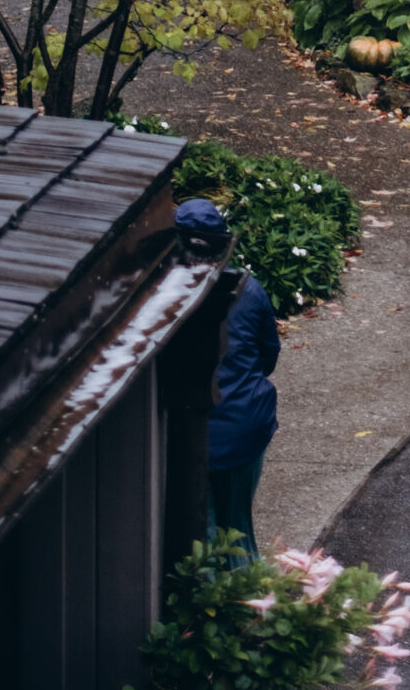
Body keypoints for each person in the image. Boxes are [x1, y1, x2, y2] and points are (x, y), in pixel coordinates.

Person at [174, 196, 281, 556]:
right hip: (246, 425)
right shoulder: (249, 290)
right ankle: (251, 588)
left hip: (190, 437)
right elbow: (267, 355)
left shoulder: (167, 298)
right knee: (238, 533)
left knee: (200, 542)